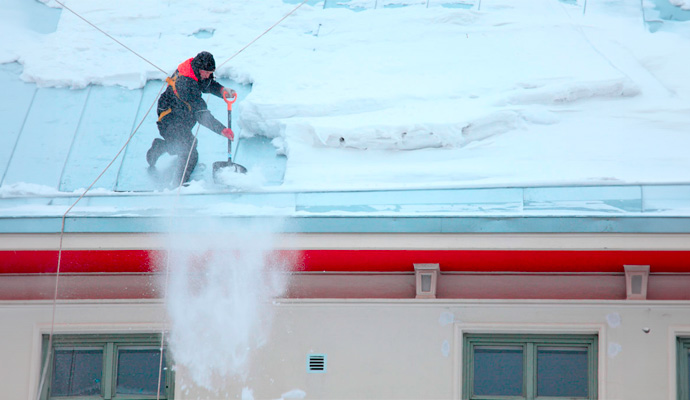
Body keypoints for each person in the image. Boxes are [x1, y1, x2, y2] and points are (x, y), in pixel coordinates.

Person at [146, 51, 236, 184]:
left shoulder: (195, 72)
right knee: (189, 152)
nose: (208, 76)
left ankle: (162, 145)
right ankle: (179, 184)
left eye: (210, 73)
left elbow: (206, 83)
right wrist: (222, 130)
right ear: (199, 69)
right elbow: (201, 114)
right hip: (169, 119)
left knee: (183, 144)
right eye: (206, 72)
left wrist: (221, 90)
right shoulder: (185, 83)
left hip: (182, 115)